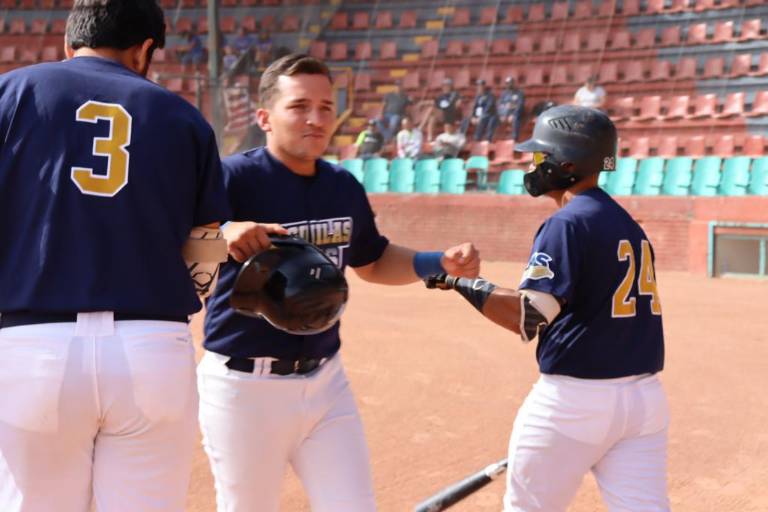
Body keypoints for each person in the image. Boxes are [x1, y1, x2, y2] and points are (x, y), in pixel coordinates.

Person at [197, 53, 481, 512]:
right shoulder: (233, 179)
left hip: (326, 380)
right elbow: (176, 242)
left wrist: (438, 262)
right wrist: (222, 233)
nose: (316, 119)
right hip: (244, 388)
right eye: (299, 106)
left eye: (327, 107)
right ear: (265, 117)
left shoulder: (342, 185)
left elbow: (372, 260)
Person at [0, 1, 231, 511]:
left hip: (34, 345)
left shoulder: (13, 92)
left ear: (69, 42)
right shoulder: (185, 119)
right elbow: (208, 240)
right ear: (145, 49)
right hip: (151, 347)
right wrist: (186, 292)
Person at [426, 105, 668, 512]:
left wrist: (460, 282)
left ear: (566, 163)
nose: (534, 164)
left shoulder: (567, 223)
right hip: (645, 404)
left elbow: (528, 317)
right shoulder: (628, 224)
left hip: (574, 403)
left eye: (541, 156)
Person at [428, 77, 462, 141]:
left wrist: (456, 106)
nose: (445, 87)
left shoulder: (455, 94)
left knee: (432, 110)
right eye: (444, 86)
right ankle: (430, 136)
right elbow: (435, 105)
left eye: (447, 86)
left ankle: (421, 127)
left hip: (450, 114)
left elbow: (459, 103)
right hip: (442, 115)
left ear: (451, 87)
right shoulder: (440, 97)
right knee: (432, 117)